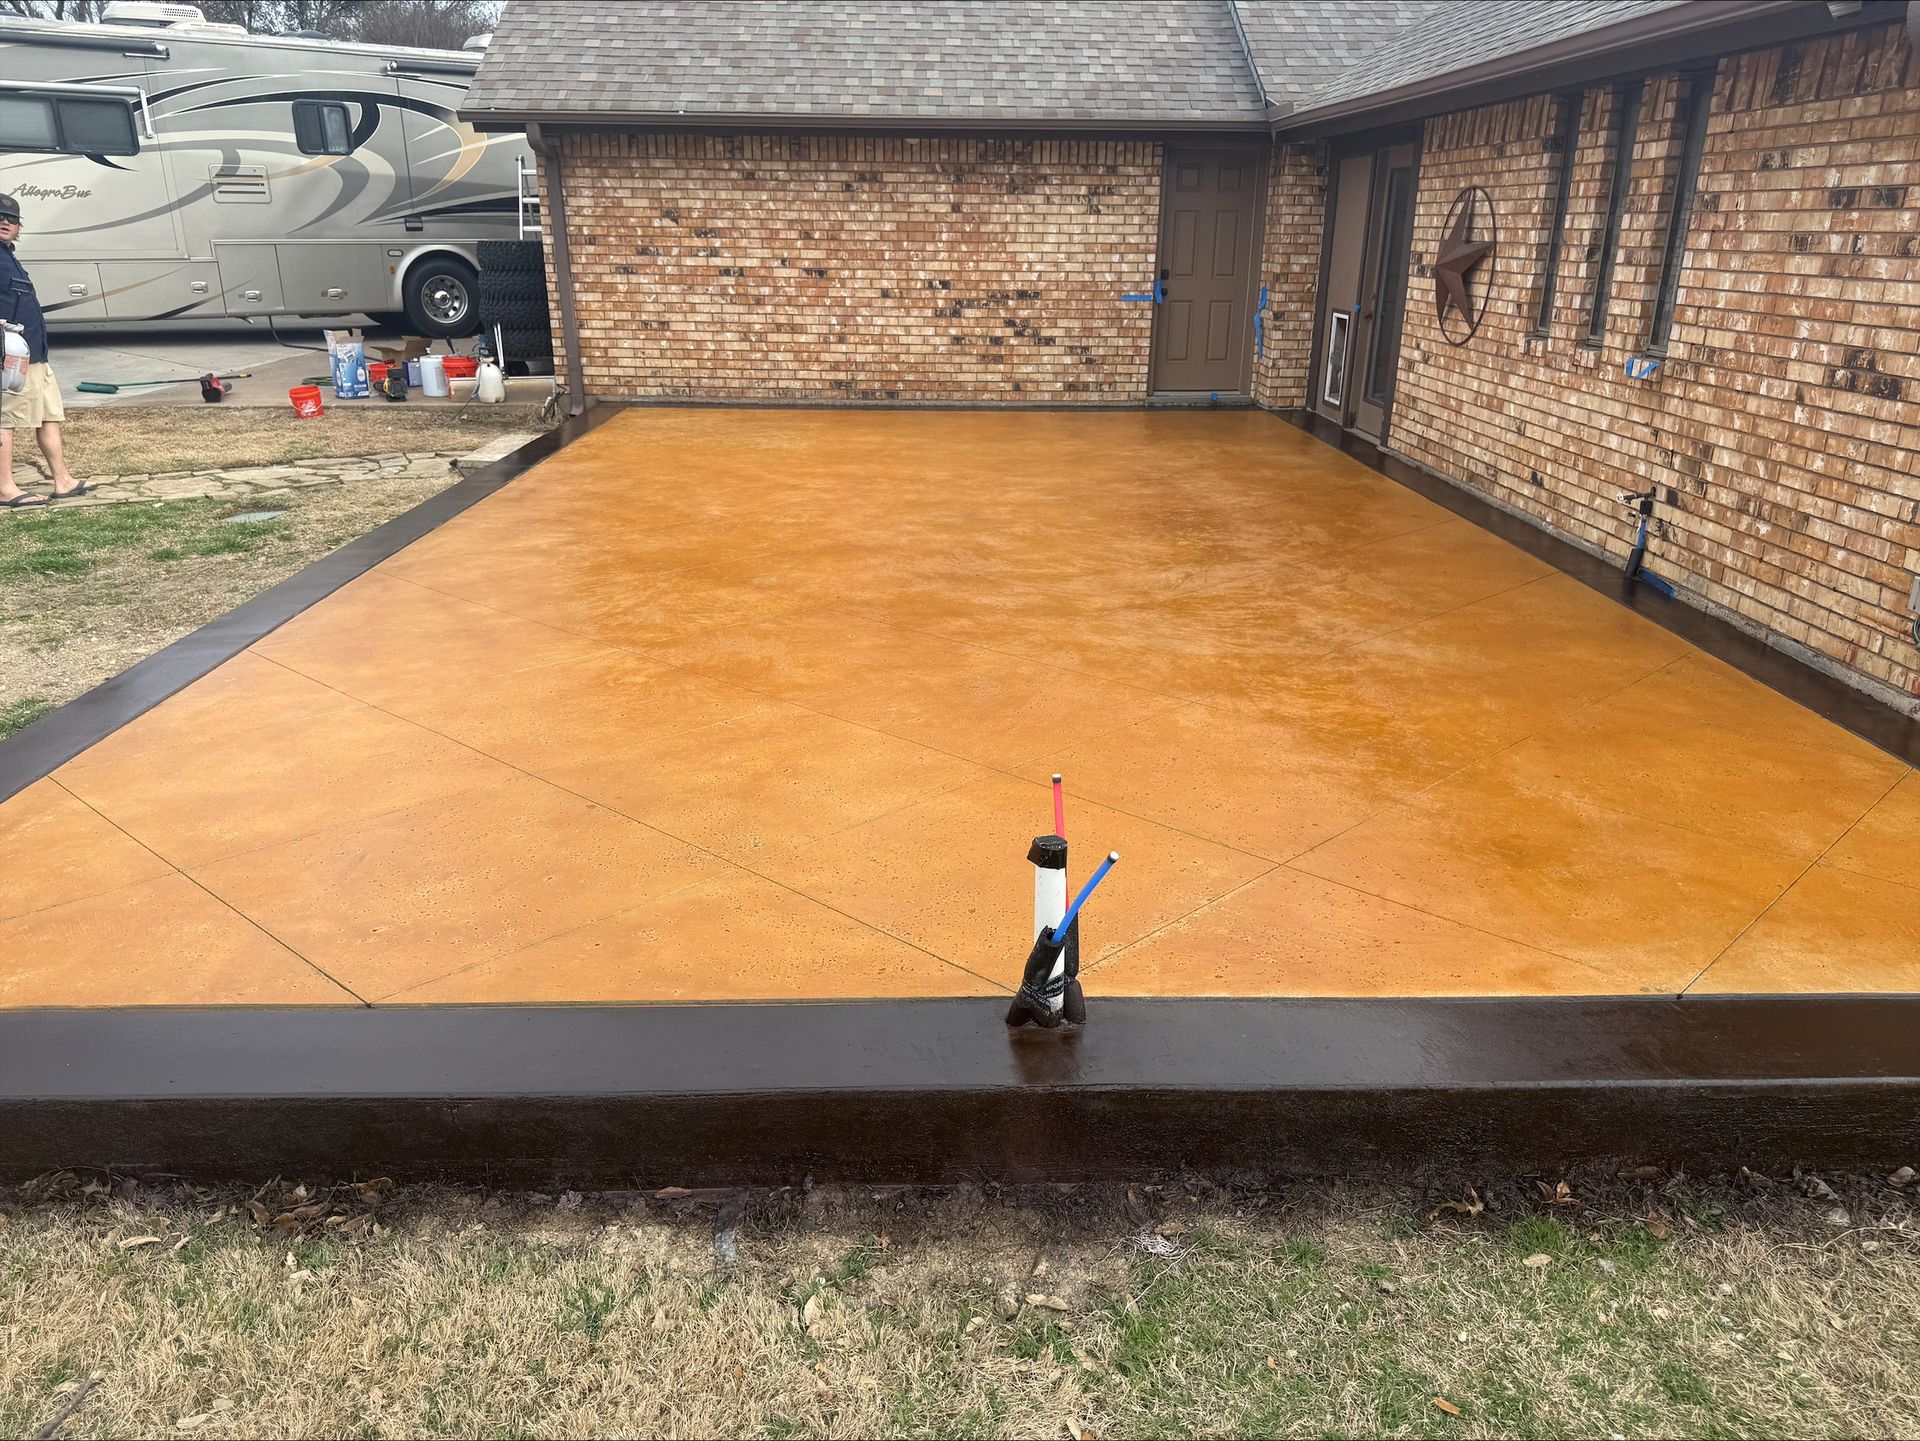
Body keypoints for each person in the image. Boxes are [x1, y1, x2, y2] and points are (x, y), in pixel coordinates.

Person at [0, 192, 88, 510]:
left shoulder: (8, 256)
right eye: (0, 217)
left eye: (11, 219)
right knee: (4, 420)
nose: (5, 222)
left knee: (50, 415)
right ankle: (5, 488)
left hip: (35, 354)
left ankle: (62, 480)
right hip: (9, 357)